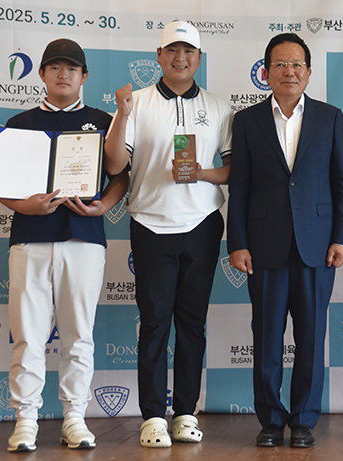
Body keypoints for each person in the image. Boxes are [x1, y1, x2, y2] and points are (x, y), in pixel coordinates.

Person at [0, 38, 129, 452]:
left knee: (78, 335)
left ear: (84, 76)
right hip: (30, 239)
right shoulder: (20, 123)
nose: (63, 74)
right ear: (42, 74)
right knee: (28, 336)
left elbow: (119, 174)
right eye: (55, 67)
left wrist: (103, 206)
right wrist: (26, 206)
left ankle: (74, 418)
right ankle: (26, 420)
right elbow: (0, 184)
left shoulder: (102, 121)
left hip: (83, 240)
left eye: (71, 68)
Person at [103, 20, 233, 448]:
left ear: (199, 58)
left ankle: (186, 413)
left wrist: (200, 173)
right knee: (155, 323)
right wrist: (122, 113)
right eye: (172, 50)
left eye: (189, 51)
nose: (181, 58)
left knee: (192, 324)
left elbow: (232, 169)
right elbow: (115, 165)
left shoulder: (219, 107)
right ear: (159, 56)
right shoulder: (135, 103)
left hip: (201, 224)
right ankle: (153, 416)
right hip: (150, 225)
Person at [227, 33, 343, 449]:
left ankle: (303, 420)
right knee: (266, 337)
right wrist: (237, 242)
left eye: (297, 64)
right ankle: (269, 419)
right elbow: (240, 186)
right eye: (280, 64)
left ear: (309, 72)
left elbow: (342, 184)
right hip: (263, 245)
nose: (289, 71)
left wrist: (342, 237)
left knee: (311, 337)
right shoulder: (247, 121)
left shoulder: (330, 117)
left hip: (317, 245)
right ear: (266, 73)